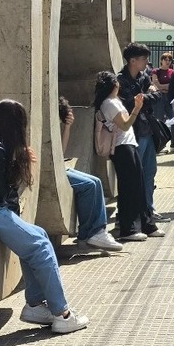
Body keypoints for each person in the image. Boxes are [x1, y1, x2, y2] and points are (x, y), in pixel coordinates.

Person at [0, 100, 91, 334]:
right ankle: (63, 314)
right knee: (40, 245)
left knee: (38, 235)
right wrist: (18, 163)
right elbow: (3, 194)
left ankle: (35, 305)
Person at [58, 98, 122, 252]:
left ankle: (93, 234)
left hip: (61, 166)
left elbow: (60, 151)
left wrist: (67, 127)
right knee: (88, 186)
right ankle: (91, 234)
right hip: (55, 170)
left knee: (96, 182)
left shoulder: (56, 127)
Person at [117, 43, 165, 220]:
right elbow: (129, 103)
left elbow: (158, 95)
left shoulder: (143, 77)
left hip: (148, 132)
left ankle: (148, 210)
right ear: (132, 60)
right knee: (133, 176)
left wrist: (145, 96)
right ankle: (134, 212)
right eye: (144, 59)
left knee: (149, 173)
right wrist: (148, 95)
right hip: (131, 134)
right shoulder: (120, 80)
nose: (147, 62)